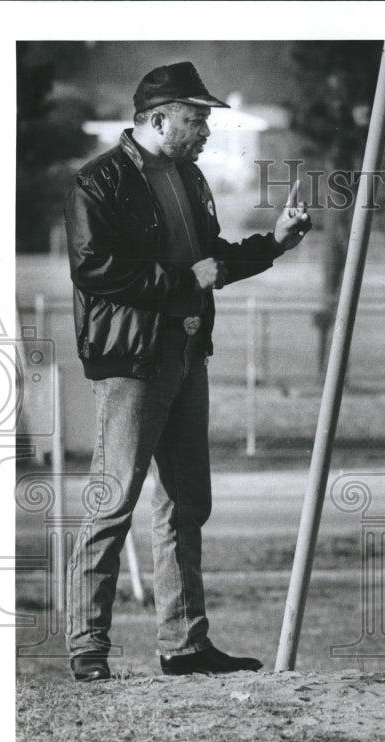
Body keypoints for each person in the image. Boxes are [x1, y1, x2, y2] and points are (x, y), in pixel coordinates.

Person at [64, 62, 312, 682]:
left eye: (204, 119)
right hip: (133, 359)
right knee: (113, 500)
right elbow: (94, 268)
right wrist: (181, 283)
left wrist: (274, 244)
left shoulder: (189, 176)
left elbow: (213, 262)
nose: (205, 129)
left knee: (185, 503)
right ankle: (87, 647)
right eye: (195, 118)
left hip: (186, 353)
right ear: (157, 118)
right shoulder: (99, 180)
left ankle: (184, 644)